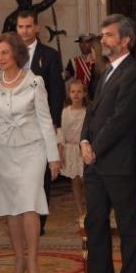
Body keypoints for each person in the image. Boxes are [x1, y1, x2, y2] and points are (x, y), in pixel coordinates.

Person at [72, 14, 136, 273]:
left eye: (108, 36)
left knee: (127, 222)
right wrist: (84, 141)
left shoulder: (134, 73)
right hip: (96, 161)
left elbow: (121, 119)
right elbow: (92, 113)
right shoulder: (106, 72)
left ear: (125, 40)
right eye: (102, 35)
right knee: (95, 221)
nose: (102, 40)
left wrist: (95, 147)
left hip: (118, 162)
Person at [0, 33, 60, 273]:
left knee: (28, 204)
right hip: (4, 151)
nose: (0, 58)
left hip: (32, 149)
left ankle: (33, 261)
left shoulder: (35, 82)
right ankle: (18, 260)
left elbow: (46, 121)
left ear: (16, 54)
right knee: (10, 207)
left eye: (4, 52)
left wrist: (53, 158)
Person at [16, 11, 64, 235]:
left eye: (28, 27)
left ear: (36, 28)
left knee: (41, 173)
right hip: (16, 125)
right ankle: (23, 216)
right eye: (20, 27)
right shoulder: (10, 54)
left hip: (41, 123)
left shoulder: (50, 55)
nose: (24, 31)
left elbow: (56, 90)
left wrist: (54, 123)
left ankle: (40, 220)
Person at [57, 80, 89, 218]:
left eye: (79, 91)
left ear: (84, 94)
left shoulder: (87, 112)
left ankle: (90, 209)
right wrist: (60, 151)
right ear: (69, 94)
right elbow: (61, 132)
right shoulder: (65, 112)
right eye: (73, 92)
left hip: (83, 149)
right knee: (75, 180)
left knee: (86, 180)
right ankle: (80, 211)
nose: (76, 95)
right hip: (70, 149)